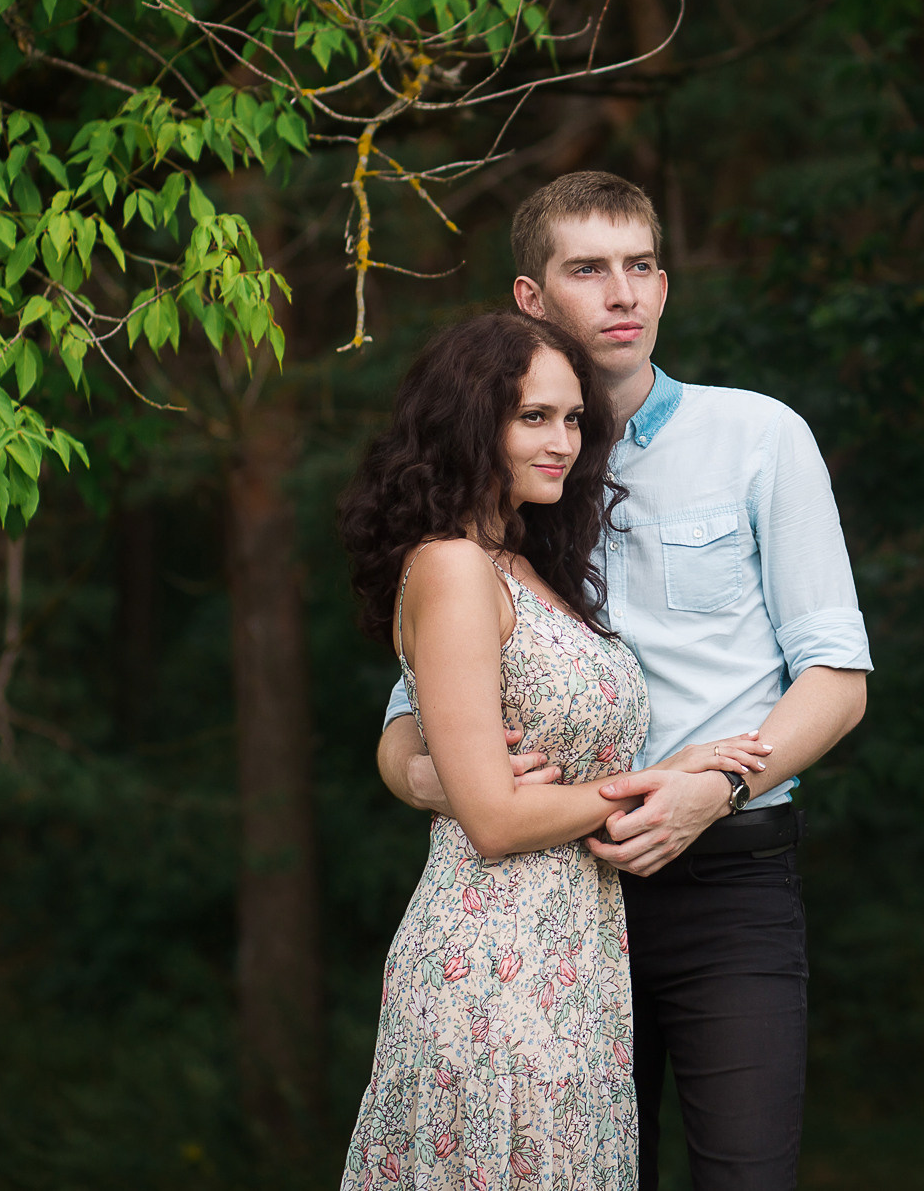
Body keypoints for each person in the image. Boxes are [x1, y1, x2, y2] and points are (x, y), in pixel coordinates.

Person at [375, 171, 871, 1191]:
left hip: (728, 872)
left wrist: (714, 787)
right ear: (531, 299)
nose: (624, 295)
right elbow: (411, 713)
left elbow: (838, 676)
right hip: (556, 892)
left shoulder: (757, 438)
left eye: (642, 266)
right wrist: (431, 781)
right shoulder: (514, 492)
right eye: (588, 269)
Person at [334, 310, 767, 1189]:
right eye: (533, 416)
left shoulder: (527, 563)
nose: (563, 440)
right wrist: (663, 780)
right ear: (468, 419)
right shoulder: (454, 567)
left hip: (576, 969)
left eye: (573, 418)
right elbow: (492, 819)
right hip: (492, 967)